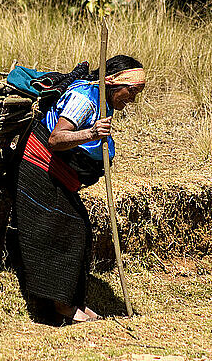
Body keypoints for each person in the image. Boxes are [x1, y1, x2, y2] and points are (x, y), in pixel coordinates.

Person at [14, 55, 145, 324]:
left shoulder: (103, 102)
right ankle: (61, 308)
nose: (131, 99)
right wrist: (91, 134)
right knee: (67, 228)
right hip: (39, 168)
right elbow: (56, 139)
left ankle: (72, 303)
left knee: (81, 229)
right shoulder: (85, 99)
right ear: (112, 82)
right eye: (130, 92)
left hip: (60, 176)